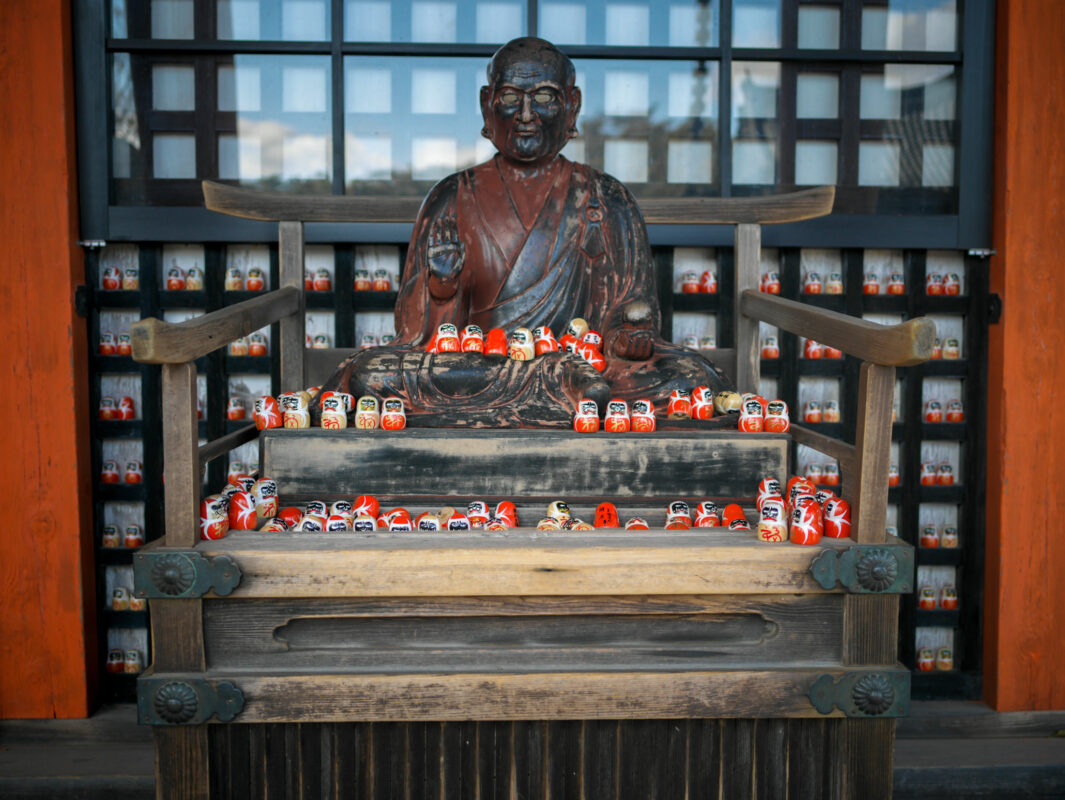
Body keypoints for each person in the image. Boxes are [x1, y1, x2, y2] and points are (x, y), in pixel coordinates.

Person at [319, 37, 730, 427]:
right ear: (487, 105)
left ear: (572, 106)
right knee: (371, 375)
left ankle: (571, 382)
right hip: (482, 367)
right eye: (511, 97)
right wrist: (442, 286)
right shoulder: (451, 196)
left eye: (545, 97)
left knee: (688, 377)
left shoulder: (606, 198)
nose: (527, 114)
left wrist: (629, 335)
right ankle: (564, 386)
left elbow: (629, 311)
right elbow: (416, 335)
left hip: (585, 362)